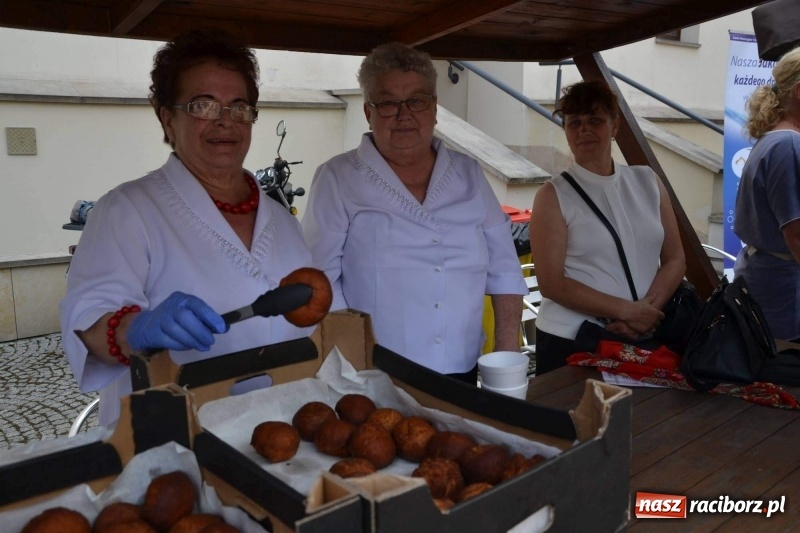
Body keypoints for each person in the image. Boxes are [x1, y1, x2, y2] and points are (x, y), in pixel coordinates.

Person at [59, 29, 314, 425]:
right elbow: (88, 321)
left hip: (281, 428)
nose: (225, 121)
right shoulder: (126, 210)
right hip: (173, 438)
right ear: (168, 119)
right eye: (203, 105)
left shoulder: (281, 219)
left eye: (238, 107)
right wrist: (134, 329)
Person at [301, 42, 527, 384]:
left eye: (417, 101)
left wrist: (506, 361)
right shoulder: (338, 177)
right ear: (368, 112)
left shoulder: (468, 173)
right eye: (388, 102)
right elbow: (320, 281)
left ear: (434, 108)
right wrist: (352, 365)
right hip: (375, 373)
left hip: (461, 367)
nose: (404, 115)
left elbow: (504, 269)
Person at [529, 80, 685, 375]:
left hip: (643, 335)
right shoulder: (553, 194)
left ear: (615, 127)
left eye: (595, 120)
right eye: (574, 122)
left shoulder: (647, 181)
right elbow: (551, 282)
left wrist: (646, 314)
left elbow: (675, 257)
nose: (583, 129)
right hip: (573, 341)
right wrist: (627, 311)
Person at [733, 47, 800, 342]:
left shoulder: (778, 140)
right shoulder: (787, 144)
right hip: (784, 297)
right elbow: (797, 236)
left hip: (770, 286)